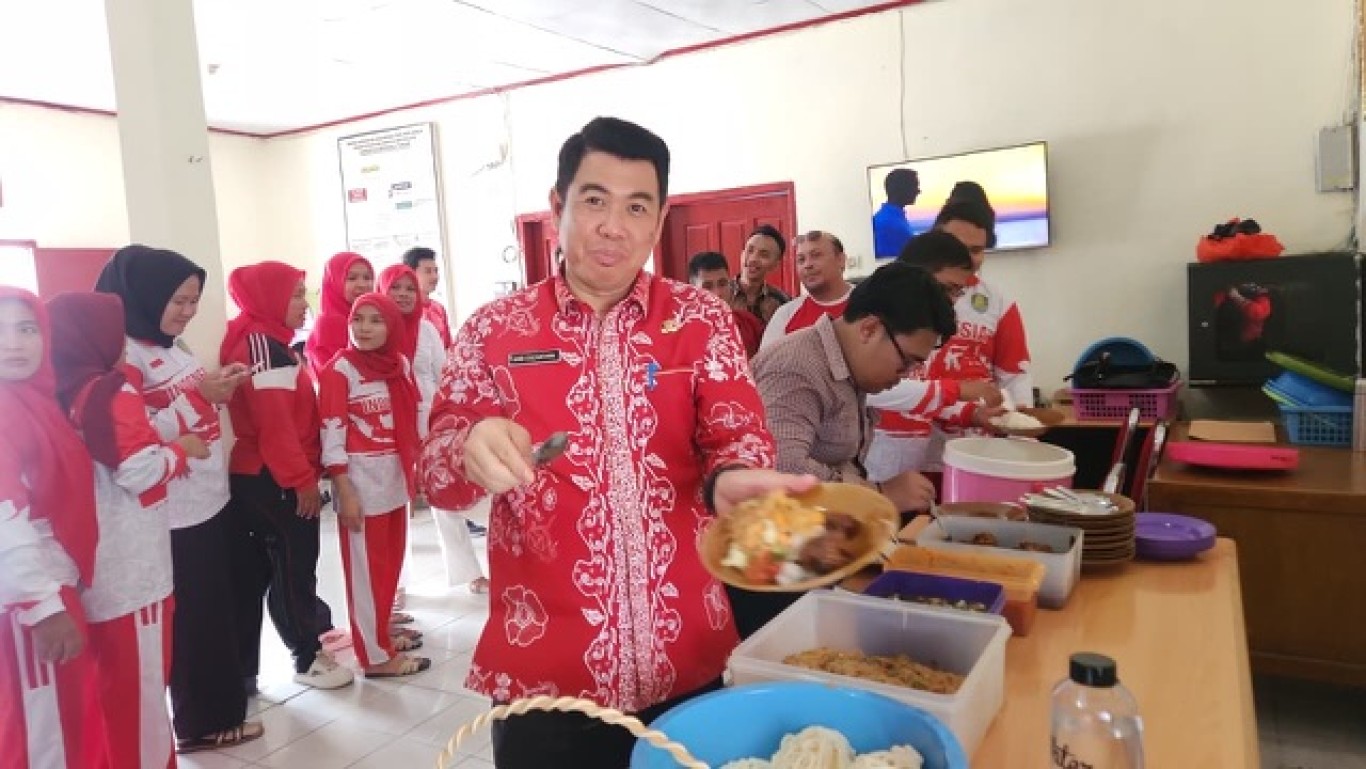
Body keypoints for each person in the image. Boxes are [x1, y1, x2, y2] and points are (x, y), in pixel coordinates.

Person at [418, 116, 816, 768]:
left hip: (687, 659)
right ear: (558, 206)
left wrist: (735, 476)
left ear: (657, 221)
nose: (613, 226)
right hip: (544, 674)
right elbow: (435, 473)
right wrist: (467, 447)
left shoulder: (700, 319)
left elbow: (737, 433)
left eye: (636, 207)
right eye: (594, 200)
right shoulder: (494, 330)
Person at [93, 245, 266, 753]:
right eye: (179, 301)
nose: (188, 312)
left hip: (206, 498)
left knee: (219, 604)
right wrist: (199, 398)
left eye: (194, 301)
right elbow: (132, 433)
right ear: (146, 296)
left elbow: (185, 400)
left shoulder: (169, 344)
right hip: (174, 512)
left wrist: (215, 389)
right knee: (194, 620)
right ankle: (202, 721)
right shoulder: (123, 354)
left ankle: (224, 702)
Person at [740, 262, 950, 635]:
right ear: (869, 329)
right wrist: (878, 495)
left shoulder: (849, 367)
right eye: (906, 362)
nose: (906, 375)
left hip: (817, 548)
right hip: (773, 566)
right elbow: (781, 467)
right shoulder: (797, 366)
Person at [48, 292, 207, 766]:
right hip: (133, 572)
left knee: (112, 691)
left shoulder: (61, 391)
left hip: (96, 565)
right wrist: (182, 451)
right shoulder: (112, 391)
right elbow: (139, 472)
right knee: (142, 696)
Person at [220, 261, 355, 692]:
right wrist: (301, 480)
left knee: (257, 576)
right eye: (295, 294)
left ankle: (243, 673)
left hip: (263, 475)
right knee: (294, 570)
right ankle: (307, 657)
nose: (304, 304)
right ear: (270, 297)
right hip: (273, 477)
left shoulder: (265, 341)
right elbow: (275, 425)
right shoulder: (266, 348)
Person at [0, 286, 105, 769]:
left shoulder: (34, 399)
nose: (14, 343)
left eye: (27, 329)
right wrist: (42, 608)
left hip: (51, 582)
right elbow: (4, 517)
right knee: (46, 735)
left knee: (67, 720)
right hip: (29, 598)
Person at [318, 293, 431, 677]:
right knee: (365, 578)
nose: (363, 328)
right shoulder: (339, 371)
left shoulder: (398, 364)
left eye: (375, 320)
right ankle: (375, 658)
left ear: (392, 326)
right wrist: (344, 490)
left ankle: (381, 637)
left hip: (394, 483)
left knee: (388, 571)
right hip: (360, 488)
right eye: (357, 319)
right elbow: (331, 434)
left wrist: (417, 471)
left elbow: (413, 418)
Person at [379, 265, 489, 596]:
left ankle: (469, 572)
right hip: (388, 424)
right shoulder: (374, 327)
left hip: (429, 419)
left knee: (445, 492)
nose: (403, 294)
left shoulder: (426, 329)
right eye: (395, 287)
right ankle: (394, 583)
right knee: (395, 502)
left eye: (409, 288)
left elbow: (445, 374)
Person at [865, 231, 1006, 482]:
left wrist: (972, 415)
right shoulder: (875, 316)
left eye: (958, 292)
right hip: (874, 465)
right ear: (914, 276)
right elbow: (874, 389)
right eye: (947, 288)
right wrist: (957, 390)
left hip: (912, 464)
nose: (951, 301)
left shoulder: (923, 325)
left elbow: (922, 393)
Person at [914, 199, 1035, 477]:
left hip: (976, 451)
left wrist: (1023, 436)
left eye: (976, 250)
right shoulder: (907, 296)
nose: (967, 258)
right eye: (956, 245)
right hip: (915, 451)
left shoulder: (999, 301)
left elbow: (1014, 375)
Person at [760, 230, 854, 349]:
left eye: (816, 255)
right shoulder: (785, 315)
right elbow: (767, 360)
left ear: (841, 259)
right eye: (801, 260)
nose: (807, 265)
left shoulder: (870, 303)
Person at [304, 252, 374, 379]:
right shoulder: (331, 322)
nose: (362, 284)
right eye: (352, 278)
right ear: (334, 281)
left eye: (367, 278)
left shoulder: (372, 315)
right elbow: (338, 375)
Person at [688, 251, 764, 357]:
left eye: (722, 284)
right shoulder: (683, 332)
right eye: (707, 286)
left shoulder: (750, 323)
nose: (717, 293)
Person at [731, 224, 791, 325]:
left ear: (775, 265)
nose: (753, 259)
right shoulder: (720, 294)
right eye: (750, 250)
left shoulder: (783, 302)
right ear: (742, 253)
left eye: (764, 255)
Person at [402, 246, 453, 349]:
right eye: (428, 271)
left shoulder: (438, 308)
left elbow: (448, 346)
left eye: (436, 271)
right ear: (411, 274)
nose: (435, 277)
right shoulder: (405, 310)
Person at [872, 168, 921, 258]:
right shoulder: (887, 224)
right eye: (915, 186)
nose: (918, 191)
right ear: (901, 189)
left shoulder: (890, 218)